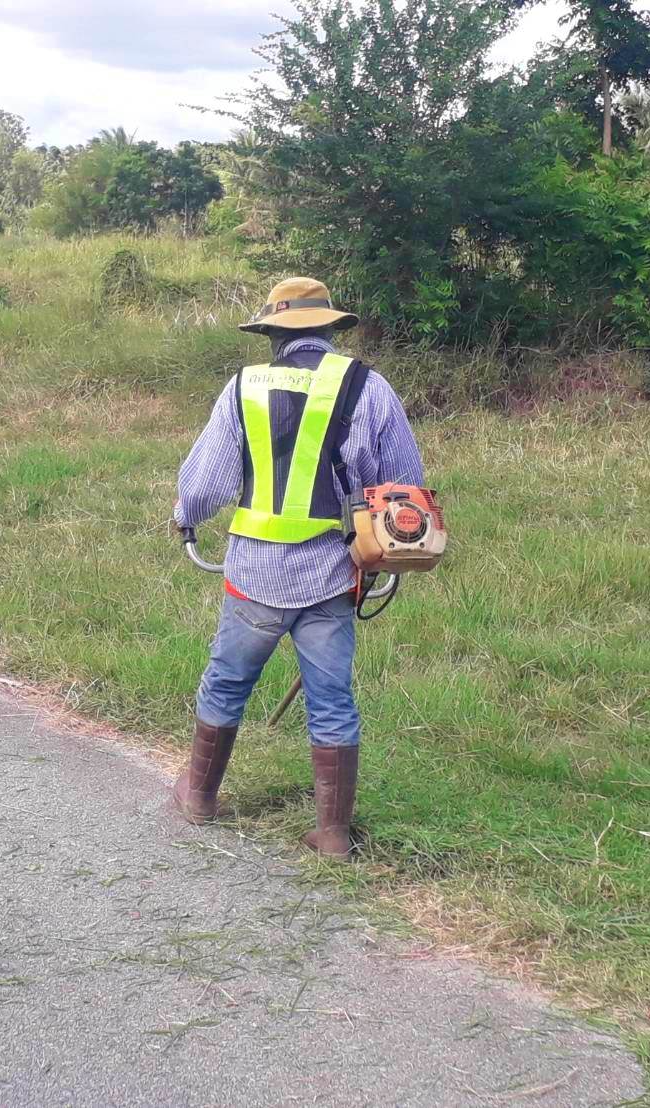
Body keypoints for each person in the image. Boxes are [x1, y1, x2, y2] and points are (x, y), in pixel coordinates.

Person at [171, 277, 425, 858]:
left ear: (273, 334)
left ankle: (199, 797)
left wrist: (186, 515)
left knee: (228, 681)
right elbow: (404, 486)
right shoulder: (369, 386)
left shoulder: (244, 387)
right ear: (329, 329)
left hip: (255, 574)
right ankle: (333, 833)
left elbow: (208, 481)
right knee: (331, 697)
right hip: (335, 573)